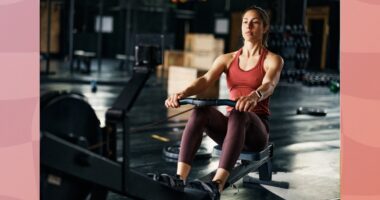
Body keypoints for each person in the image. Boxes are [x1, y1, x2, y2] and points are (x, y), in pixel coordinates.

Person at [163, 5, 283, 199]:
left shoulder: (272, 59)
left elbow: (269, 84)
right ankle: (179, 178)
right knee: (200, 111)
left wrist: (254, 96)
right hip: (231, 129)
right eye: (245, 22)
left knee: (238, 112)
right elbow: (205, 80)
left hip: (256, 132)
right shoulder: (227, 59)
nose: (248, 26)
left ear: (265, 27)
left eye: (255, 22)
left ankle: (217, 184)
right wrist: (181, 93)